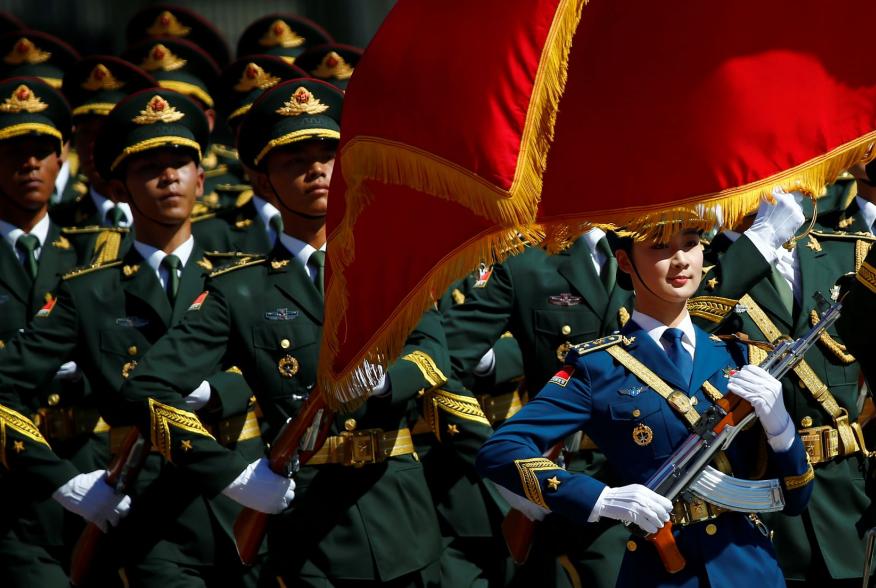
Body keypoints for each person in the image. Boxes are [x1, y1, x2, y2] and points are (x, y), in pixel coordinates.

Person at [118, 78, 446, 586]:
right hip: (310, 527)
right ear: (262, 181)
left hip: (401, 515)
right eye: (295, 160)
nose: (316, 170)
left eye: (328, 155)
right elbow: (147, 388)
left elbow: (433, 354)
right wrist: (232, 476)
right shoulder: (239, 290)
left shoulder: (390, 268)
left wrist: (385, 381)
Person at [0, 88, 263, 587]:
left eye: (181, 164)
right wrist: (63, 482)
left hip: (244, 493)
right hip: (149, 509)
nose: (168, 177)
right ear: (119, 189)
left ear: (202, 180)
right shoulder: (89, 293)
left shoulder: (247, 279)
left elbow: (294, 371)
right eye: (148, 168)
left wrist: (218, 392)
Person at [476, 219, 815, 587]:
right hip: (662, 571)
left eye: (690, 243)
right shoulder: (598, 366)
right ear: (624, 261)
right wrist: (601, 498)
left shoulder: (739, 354)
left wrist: (781, 427)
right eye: (659, 247)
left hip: (749, 567)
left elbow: (796, 499)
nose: (681, 259)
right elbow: (501, 450)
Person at [696, 189, 874, 585]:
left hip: (853, 496)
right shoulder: (700, 271)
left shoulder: (852, 253)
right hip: (767, 504)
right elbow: (684, 335)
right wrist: (758, 243)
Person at [0, 75, 127, 588]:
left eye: (42, 150)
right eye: (12, 151)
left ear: (64, 157)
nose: (29, 164)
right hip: (10, 490)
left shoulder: (95, 255)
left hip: (96, 468)